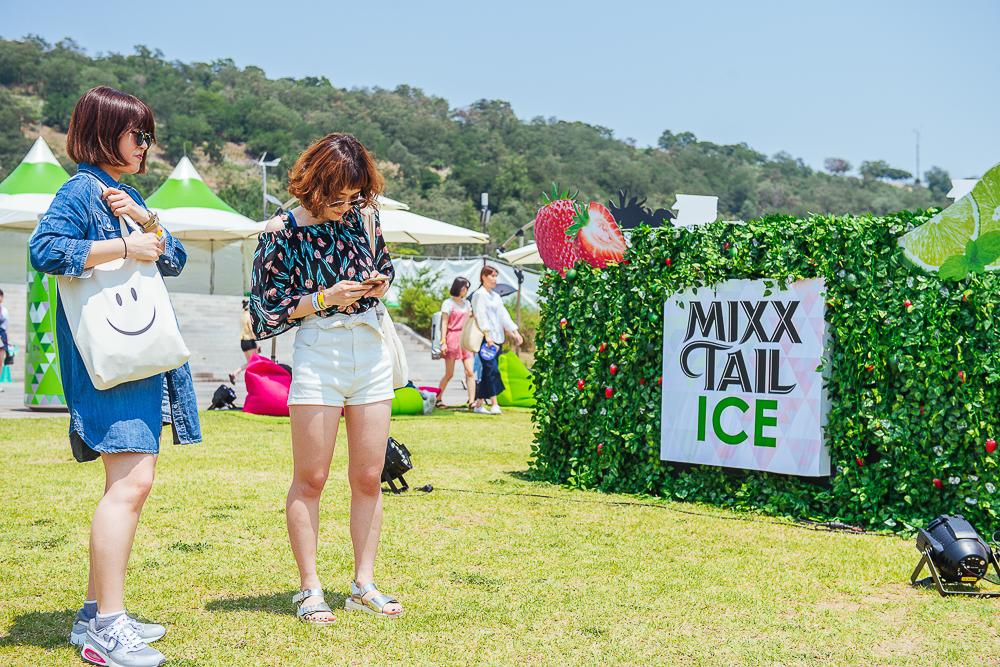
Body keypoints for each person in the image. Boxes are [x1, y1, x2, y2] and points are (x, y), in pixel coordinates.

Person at [29, 86, 201, 667]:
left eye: (148, 135)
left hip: (136, 358)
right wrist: (124, 244)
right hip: (112, 361)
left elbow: (173, 259)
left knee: (125, 486)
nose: (145, 145)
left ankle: (93, 612)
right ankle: (106, 627)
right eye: (137, 134)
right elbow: (45, 250)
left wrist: (145, 220)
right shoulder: (81, 189)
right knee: (132, 485)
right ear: (104, 133)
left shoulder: (124, 193)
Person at [250, 132, 404, 624]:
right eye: (338, 198)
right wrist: (323, 298)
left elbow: (384, 267)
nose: (346, 207)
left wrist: (379, 283)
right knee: (312, 477)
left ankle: (364, 584)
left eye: (355, 197)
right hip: (319, 348)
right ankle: (310, 588)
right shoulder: (280, 231)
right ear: (314, 187)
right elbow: (264, 311)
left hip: (370, 346)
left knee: (369, 476)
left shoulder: (365, 217)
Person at [471, 266, 522, 415]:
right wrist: (487, 335)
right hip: (486, 340)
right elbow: (480, 315)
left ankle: (478, 404)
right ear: (483, 277)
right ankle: (494, 403)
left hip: (497, 339)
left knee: (488, 372)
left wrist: (515, 332)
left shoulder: (496, 296)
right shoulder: (479, 294)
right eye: (492, 276)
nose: (494, 279)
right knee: (492, 370)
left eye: (495, 276)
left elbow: (504, 316)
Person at [436, 277, 476, 409]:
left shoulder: (467, 304)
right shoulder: (447, 303)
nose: (467, 290)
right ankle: (438, 399)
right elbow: (444, 323)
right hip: (452, 337)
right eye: (466, 287)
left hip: (466, 338)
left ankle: (472, 401)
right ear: (459, 287)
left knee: (470, 372)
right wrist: (443, 342)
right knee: (449, 373)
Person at [229, 299, 258, 384]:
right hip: (250, 341)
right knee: (255, 362)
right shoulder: (249, 317)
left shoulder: (242, 317)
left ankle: (234, 373)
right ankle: (254, 380)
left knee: (250, 363)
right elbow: (252, 330)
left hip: (243, 342)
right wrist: (258, 342)